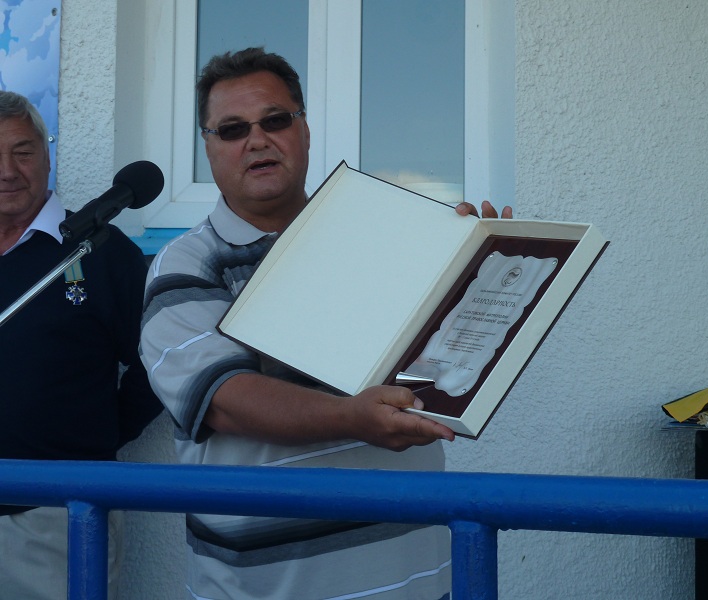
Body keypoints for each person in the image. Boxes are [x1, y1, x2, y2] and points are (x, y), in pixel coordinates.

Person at [139, 47, 511, 600]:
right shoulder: (186, 266)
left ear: (305, 130)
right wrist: (352, 418)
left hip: (419, 581)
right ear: (208, 148)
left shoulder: (391, 239)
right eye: (233, 129)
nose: (257, 140)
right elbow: (225, 399)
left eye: (275, 120)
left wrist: (481, 276)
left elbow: (442, 369)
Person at [0, 91, 163, 599]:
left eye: (22, 152)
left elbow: (159, 362)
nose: (7, 171)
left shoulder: (101, 253)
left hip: (55, 516)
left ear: (47, 158)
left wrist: (97, 433)